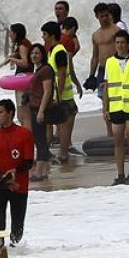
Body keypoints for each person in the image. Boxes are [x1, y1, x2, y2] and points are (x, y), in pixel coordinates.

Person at [0, 99, 34, 246]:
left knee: (17, 224)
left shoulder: (25, 134)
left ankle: (16, 252)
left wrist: (15, 172)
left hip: (19, 185)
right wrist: (3, 177)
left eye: (0, 112)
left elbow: (29, 162)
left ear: (10, 113)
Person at [103, 29, 129, 185]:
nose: (120, 45)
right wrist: (105, 108)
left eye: (122, 43)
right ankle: (120, 175)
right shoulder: (109, 62)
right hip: (115, 106)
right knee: (118, 141)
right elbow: (107, 86)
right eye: (117, 43)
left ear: (128, 44)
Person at [41, 21, 78, 162]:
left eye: (44, 34)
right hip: (58, 95)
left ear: (52, 35)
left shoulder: (59, 52)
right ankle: (59, 154)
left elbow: (61, 75)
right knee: (59, 126)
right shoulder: (52, 51)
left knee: (63, 127)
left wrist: (59, 96)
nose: (43, 37)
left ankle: (63, 155)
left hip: (63, 96)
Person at [87, 2, 120, 135]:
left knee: (117, 98)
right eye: (101, 16)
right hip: (102, 69)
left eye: (106, 15)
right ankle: (110, 133)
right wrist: (91, 75)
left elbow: (125, 49)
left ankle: (119, 129)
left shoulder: (116, 31)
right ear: (97, 17)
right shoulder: (96, 35)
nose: (104, 18)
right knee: (104, 100)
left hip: (116, 67)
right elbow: (95, 56)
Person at [27, 43, 54, 182]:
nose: (34, 56)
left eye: (37, 53)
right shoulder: (39, 69)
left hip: (40, 109)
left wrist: (41, 111)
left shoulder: (45, 70)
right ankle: (43, 171)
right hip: (36, 108)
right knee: (40, 140)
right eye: (32, 53)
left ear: (42, 55)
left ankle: (39, 172)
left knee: (40, 141)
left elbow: (47, 91)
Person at [0, 23, 32, 129]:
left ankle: (27, 135)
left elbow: (25, 63)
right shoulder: (24, 44)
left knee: (22, 114)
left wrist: (12, 59)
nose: (9, 34)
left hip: (23, 82)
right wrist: (12, 56)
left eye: (11, 32)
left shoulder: (22, 46)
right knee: (23, 113)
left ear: (16, 34)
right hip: (25, 80)